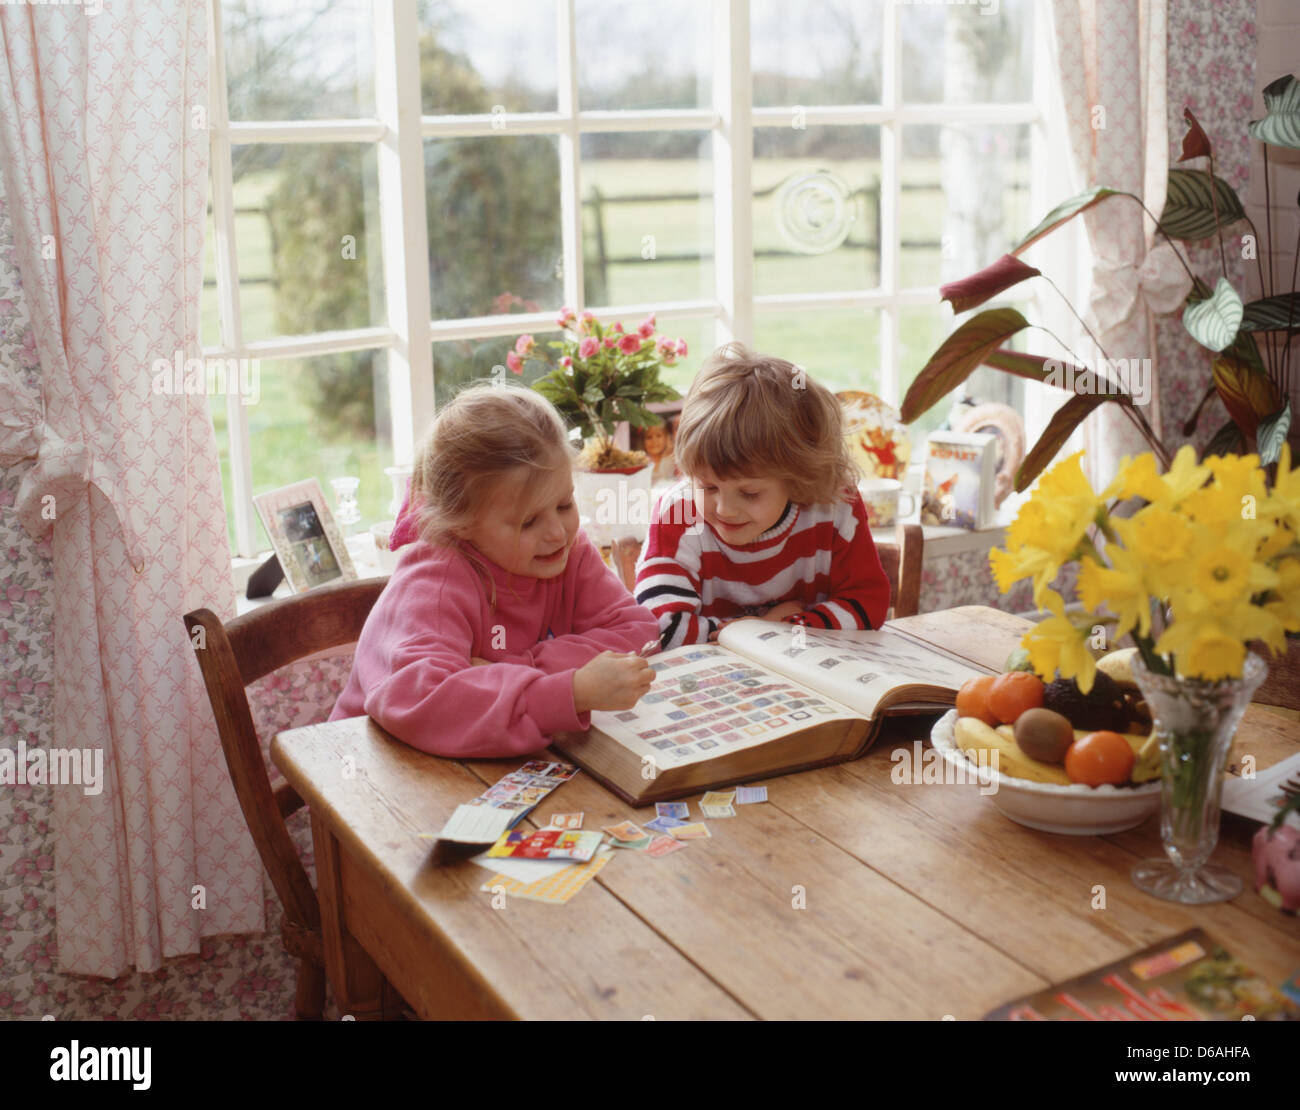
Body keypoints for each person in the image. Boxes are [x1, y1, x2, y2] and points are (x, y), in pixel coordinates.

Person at [329, 384, 658, 757]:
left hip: (481, 769)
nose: (556, 531)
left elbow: (639, 631)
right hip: (374, 781)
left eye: (564, 504)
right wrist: (572, 691)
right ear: (462, 524)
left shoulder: (569, 549)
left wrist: (517, 668)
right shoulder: (433, 581)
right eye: (528, 521)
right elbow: (427, 704)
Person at [635, 343, 892, 649]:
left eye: (750, 493)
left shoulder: (834, 503)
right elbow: (663, 629)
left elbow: (867, 604)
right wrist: (764, 628)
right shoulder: (678, 512)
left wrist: (786, 629)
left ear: (797, 478)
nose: (725, 509)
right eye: (708, 487)